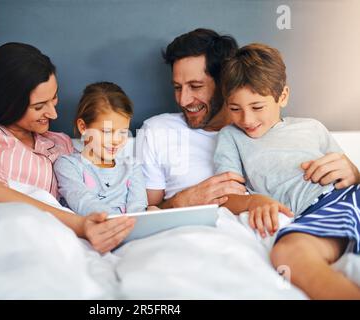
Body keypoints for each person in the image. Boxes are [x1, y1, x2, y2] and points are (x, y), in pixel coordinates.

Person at [0, 42, 134, 254]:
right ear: (6, 101)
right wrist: (79, 225)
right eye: (39, 107)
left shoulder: (59, 143)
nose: (54, 114)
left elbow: (84, 191)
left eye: (54, 98)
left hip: (56, 238)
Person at [139, 28, 360, 211]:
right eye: (177, 87)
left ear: (224, 83)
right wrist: (182, 201)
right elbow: (139, 213)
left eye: (196, 86)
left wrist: (354, 174)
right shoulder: (159, 131)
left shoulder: (301, 129)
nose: (184, 99)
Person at [214, 43, 360, 299]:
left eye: (257, 107)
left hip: (347, 194)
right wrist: (254, 200)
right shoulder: (230, 137)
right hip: (318, 209)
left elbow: (349, 172)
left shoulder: (312, 128)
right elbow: (225, 196)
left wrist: (355, 173)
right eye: (234, 108)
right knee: (288, 253)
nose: (246, 119)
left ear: (282, 96)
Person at [55, 82, 149, 216]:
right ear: (83, 127)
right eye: (107, 132)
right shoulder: (68, 165)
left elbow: (138, 207)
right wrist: (118, 223)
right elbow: (83, 202)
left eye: (123, 132)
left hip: (129, 230)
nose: (117, 140)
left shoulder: (132, 166)